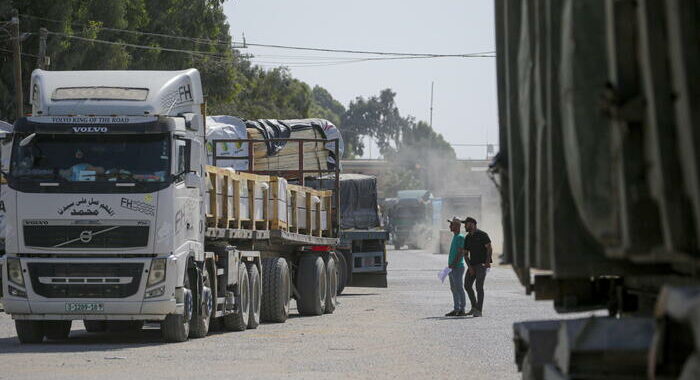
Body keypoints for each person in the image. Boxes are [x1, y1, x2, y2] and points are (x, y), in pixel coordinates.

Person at [463, 217, 492, 317]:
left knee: (479, 286)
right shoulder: (467, 237)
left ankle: (479, 310)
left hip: (481, 265)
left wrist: (488, 262)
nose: (465, 226)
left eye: (466, 224)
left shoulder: (482, 235)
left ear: (472, 224)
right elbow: (465, 254)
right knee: (467, 285)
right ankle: (474, 306)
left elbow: (489, 248)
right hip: (472, 264)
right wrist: (469, 267)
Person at [445, 217, 467, 317]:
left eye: (452, 224)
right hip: (452, 267)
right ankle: (456, 308)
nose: (450, 226)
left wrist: (454, 264)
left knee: (459, 288)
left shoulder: (460, 237)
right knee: (454, 288)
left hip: (457, 267)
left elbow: (461, 252)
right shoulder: (455, 237)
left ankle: (462, 309)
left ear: (457, 226)